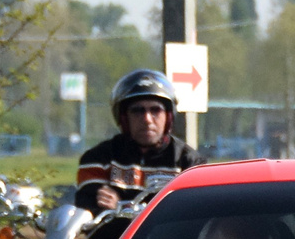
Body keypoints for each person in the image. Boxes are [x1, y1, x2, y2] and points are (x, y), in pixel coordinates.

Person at [75, 70, 203, 213]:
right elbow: (86, 210)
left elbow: (194, 213)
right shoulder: (98, 159)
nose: (147, 119)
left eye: (155, 110)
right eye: (137, 111)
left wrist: (121, 206)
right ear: (124, 117)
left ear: (168, 116)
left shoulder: (189, 163)